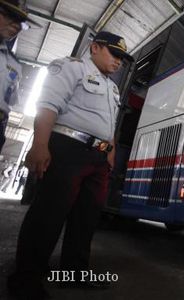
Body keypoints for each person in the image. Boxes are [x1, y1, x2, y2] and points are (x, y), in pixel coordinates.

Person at [7, 31, 133, 299]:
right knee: (48, 215)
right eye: (115, 54)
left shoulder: (112, 87)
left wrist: (109, 151)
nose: (119, 62)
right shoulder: (71, 67)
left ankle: (74, 273)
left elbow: (108, 123)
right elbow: (48, 105)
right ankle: (25, 281)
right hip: (68, 150)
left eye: (122, 58)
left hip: (98, 158)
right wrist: (40, 144)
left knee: (86, 218)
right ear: (95, 47)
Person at [0, 0, 36, 151]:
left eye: (21, 22)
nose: (16, 25)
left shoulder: (13, 64)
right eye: (10, 16)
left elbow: (10, 100)